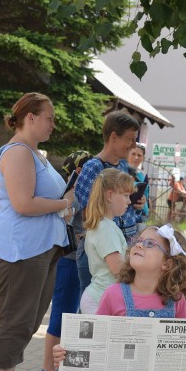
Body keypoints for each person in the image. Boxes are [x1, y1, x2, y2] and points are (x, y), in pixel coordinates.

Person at [0, 92, 73, 371]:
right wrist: (65, 204)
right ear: (30, 117)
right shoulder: (18, 152)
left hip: (39, 248)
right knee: (10, 322)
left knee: (26, 322)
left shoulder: (35, 154)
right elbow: (23, 204)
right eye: (49, 117)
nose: (53, 124)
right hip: (15, 249)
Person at [53, 225, 186, 371]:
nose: (139, 245)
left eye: (150, 244)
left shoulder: (176, 301)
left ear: (167, 263)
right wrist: (67, 354)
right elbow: (95, 343)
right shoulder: (113, 294)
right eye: (139, 241)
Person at [37, 150, 93, 371]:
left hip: (81, 260)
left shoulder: (87, 190)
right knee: (62, 313)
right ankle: (47, 370)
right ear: (79, 171)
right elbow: (65, 216)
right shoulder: (73, 191)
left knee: (75, 316)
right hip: (69, 259)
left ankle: (61, 367)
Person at [75, 110, 144, 298]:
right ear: (114, 137)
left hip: (122, 242)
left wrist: (134, 204)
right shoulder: (93, 167)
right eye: (130, 139)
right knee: (94, 311)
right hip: (103, 249)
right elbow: (88, 210)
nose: (133, 145)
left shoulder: (122, 165)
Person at [79, 168, 134, 314]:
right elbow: (117, 269)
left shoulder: (105, 225)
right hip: (100, 299)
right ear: (110, 195)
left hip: (101, 297)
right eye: (126, 195)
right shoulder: (105, 229)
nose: (129, 201)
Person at [128, 142, 149, 231]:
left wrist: (144, 200)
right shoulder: (122, 172)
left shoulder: (142, 175)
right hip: (128, 215)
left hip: (142, 215)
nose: (136, 157)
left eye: (139, 155)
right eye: (133, 154)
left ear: (143, 158)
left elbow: (146, 196)